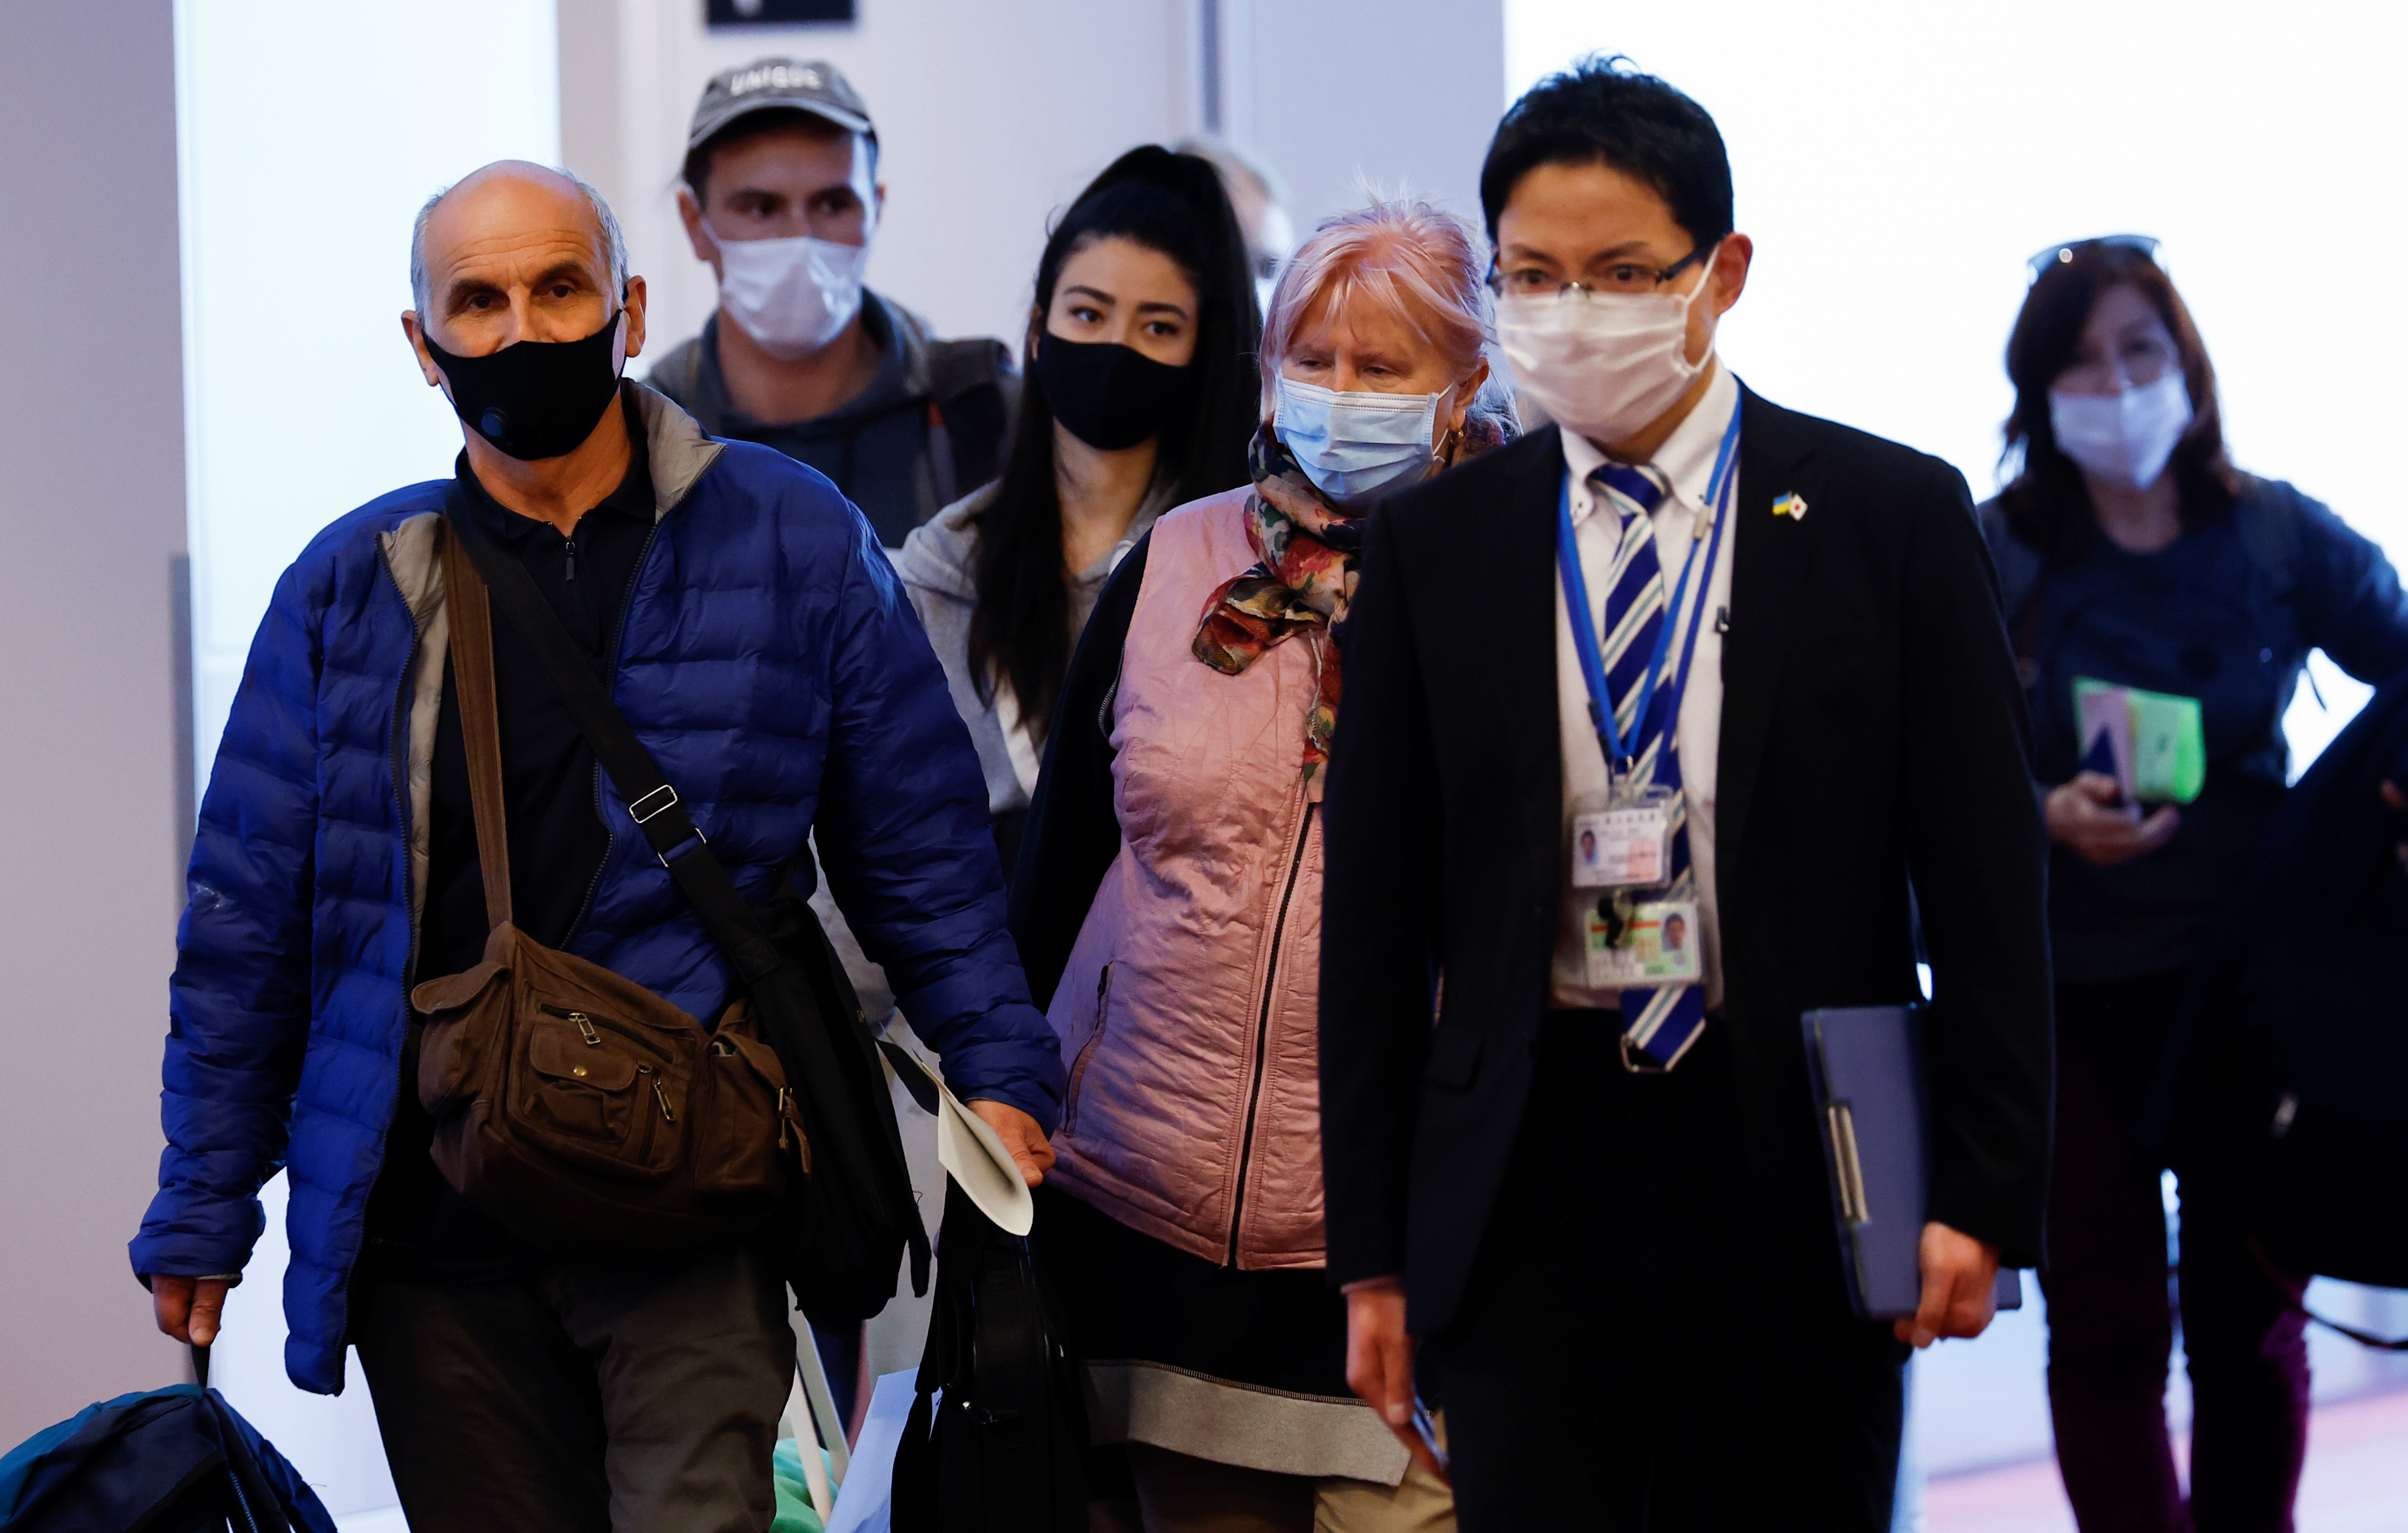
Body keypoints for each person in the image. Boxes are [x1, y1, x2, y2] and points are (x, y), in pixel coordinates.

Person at [128, 161, 1063, 1533]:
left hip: (689, 1189)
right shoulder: (350, 586)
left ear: (627, 308)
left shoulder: (792, 537)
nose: (522, 329)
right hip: (433, 1226)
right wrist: (205, 1199)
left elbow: (921, 851)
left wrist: (998, 1066)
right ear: (424, 343)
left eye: (558, 288)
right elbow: (248, 926)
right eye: (479, 302)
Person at [1317, 59, 2053, 1532]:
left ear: (1722, 273)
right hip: (1525, 1169)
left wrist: (1982, 1192)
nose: (1572, 313)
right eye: (1533, 278)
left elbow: (1987, 884)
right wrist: (1373, 1254)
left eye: (1620, 273)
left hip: (1797, 1155)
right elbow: (1376, 923)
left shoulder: (1888, 516)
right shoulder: (1439, 545)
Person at [1010, 195, 1509, 1533]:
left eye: (1382, 367)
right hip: (1150, 1215)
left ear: (1465, 385)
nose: (1338, 393)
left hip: (1401, 1236)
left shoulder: (1519, 590)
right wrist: (1003, 1091)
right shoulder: (1178, 560)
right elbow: (1058, 868)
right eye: (1313, 359)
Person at [1980, 235, 2408, 1533]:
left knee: (2249, 1324)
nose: (2115, 386)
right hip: (2071, 999)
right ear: (2036, 389)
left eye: (2139, 351)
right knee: (2104, 1328)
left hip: (2251, 1005)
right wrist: (2042, 815)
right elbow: (1920, 764)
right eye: (2080, 362)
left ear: (2187, 362)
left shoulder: (2270, 533)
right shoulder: (1996, 552)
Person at [891, 145, 1260, 870]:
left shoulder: (1243, 568)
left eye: (1159, 327)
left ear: (1201, 352)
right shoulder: (944, 570)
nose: (1115, 347)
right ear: (1038, 331)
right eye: (1088, 314)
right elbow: (881, 827)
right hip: (976, 936)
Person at [647, 58, 1019, 547]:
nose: (800, 237)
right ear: (695, 223)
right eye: (760, 208)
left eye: (834, 205)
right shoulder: (642, 437)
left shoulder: (986, 416)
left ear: (876, 210)